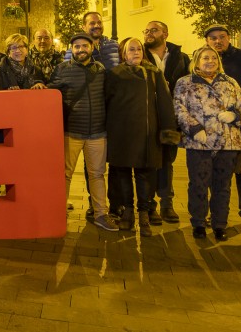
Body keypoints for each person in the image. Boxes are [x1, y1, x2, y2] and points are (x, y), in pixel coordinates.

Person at [173, 47, 241, 241]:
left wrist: (235, 116)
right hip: (199, 143)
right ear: (197, 61)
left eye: (213, 58)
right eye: (205, 58)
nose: (209, 61)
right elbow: (178, 108)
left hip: (227, 143)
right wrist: (194, 129)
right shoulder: (185, 83)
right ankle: (199, 222)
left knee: (222, 186)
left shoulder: (230, 82)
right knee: (198, 184)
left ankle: (219, 223)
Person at [104, 37, 177, 236]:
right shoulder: (113, 75)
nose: (135, 53)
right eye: (131, 50)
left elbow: (165, 105)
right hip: (121, 133)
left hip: (147, 134)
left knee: (146, 175)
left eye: (138, 49)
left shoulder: (154, 74)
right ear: (123, 54)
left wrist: (169, 133)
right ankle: (127, 210)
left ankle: (144, 212)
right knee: (123, 174)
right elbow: (106, 103)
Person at [48, 32, 111, 231]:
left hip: (97, 133)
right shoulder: (61, 69)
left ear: (91, 48)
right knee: (65, 174)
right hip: (72, 132)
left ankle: (101, 214)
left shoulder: (100, 70)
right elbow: (50, 93)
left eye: (85, 46)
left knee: (97, 174)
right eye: (77, 47)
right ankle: (58, 211)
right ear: (71, 49)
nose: (81, 49)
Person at [204, 25, 241, 232]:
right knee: (216, 174)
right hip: (215, 129)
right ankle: (217, 213)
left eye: (222, 37)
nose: (218, 41)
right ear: (207, 41)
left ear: (229, 38)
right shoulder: (203, 60)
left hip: (240, 125)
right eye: (213, 38)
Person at [142, 20, 190, 226]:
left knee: (167, 162)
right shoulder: (140, 54)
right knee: (149, 162)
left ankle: (167, 204)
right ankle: (150, 205)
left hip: (171, 117)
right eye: (146, 30)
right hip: (148, 117)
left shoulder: (181, 57)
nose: (148, 33)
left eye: (154, 30)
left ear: (165, 33)